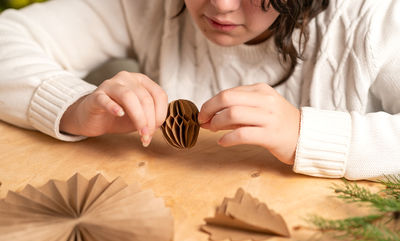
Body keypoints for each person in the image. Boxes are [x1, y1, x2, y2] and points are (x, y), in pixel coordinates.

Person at [0, 0, 399, 181]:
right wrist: (72, 103)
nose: (221, 6)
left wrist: (305, 134)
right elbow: (8, 35)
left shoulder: (377, 18)